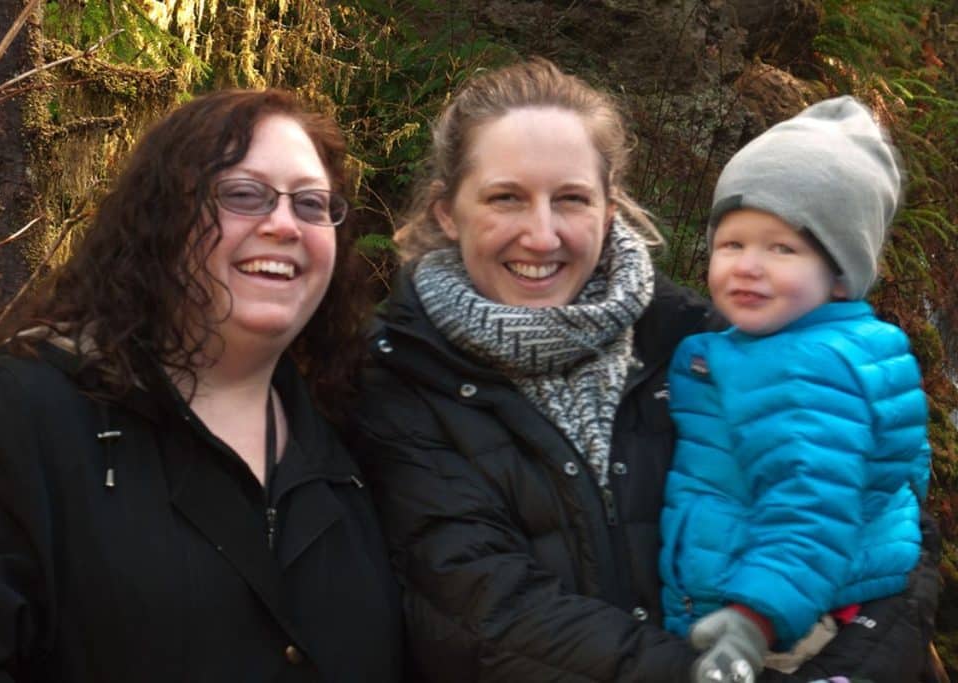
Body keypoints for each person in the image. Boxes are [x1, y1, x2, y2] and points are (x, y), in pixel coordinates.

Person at [350, 58, 940, 682]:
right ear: (448, 211)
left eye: (571, 199)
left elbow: (885, 517)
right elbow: (493, 614)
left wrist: (849, 669)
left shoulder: (695, 340)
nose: (542, 236)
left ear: (609, 209)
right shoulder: (399, 380)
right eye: (506, 198)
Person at [0, 88, 402, 682]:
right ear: (161, 217)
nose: (285, 224)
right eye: (243, 194)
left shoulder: (356, 436)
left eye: (312, 204)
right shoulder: (15, 417)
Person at [659, 96, 932, 681]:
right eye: (732, 243)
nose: (748, 265)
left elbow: (811, 507)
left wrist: (753, 621)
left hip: (778, 629)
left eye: (782, 248)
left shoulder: (808, 366)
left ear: (840, 277)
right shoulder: (821, 345)